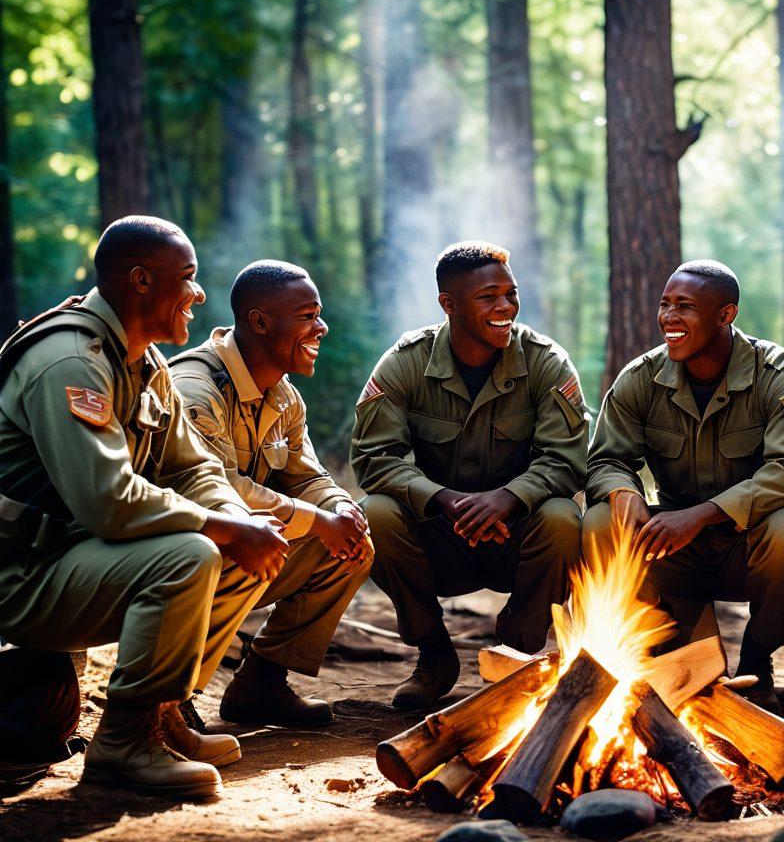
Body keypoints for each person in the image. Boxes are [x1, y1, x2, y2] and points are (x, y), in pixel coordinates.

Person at [0, 216, 289, 800]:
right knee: (188, 554)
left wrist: (242, 522)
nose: (199, 293)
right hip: (20, 573)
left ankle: (161, 715)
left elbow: (191, 467)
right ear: (139, 281)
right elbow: (108, 502)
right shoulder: (72, 361)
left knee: (235, 543)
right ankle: (124, 744)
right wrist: (226, 527)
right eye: (187, 277)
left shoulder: (143, 363)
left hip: (68, 556)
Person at [352, 242, 586, 709]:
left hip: (517, 534)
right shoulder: (406, 362)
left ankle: (518, 653)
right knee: (374, 513)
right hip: (442, 534)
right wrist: (441, 498)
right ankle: (434, 654)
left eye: (511, 294)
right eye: (489, 297)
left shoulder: (545, 361)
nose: (506, 307)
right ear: (449, 304)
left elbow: (567, 459)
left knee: (562, 517)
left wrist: (511, 497)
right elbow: (373, 457)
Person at [584, 260, 784, 710]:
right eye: (665, 304)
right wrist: (625, 492)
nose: (669, 318)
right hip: (675, 547)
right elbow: (606, 460)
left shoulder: (781, 376)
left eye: (685, 307)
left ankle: (758, 660)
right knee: (601, 520)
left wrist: (702, 515)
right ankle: (660, 649)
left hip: (750, 546)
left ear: (725, 314)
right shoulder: (641, 379)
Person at [171, 261, 372, 727]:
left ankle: (260, 684)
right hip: (178, 552)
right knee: (254, 544)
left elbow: (306, 477)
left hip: (234, 546)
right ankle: (168, 696)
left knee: (350, 548)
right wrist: (317, 519)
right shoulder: (196, 389)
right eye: (307, 315)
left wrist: (338, 508)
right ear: (259, 321)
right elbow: (213, 488)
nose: (321, 327)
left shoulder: (283, 395)